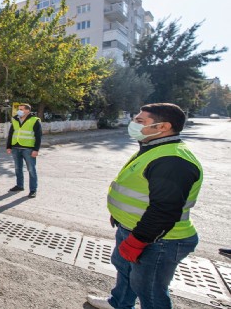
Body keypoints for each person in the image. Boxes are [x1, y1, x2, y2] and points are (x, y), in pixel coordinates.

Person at [87, 103, 203, 309]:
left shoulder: (173, 160)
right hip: (133, 229)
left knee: (149, 290)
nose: (133, 124)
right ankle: (119, 303)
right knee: (126, 272)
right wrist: (120, 216)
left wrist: (138, 241)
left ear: (163, 127)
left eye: (140, 121)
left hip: (159, 240)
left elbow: (164, 210)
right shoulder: (154, 148)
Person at [6, 103, 42, 198]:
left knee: (31, 170)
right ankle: (19, 186)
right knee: (18, 168)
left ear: (28, 111)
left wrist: (36, 150)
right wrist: (8, 146)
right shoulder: (15, 119)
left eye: (21, 109)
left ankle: (33, 190)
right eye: (19, 109)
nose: (19, 111)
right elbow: (11, 133)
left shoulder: (35, 120)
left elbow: (38, 136)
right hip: (15, 148)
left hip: (28, 149)